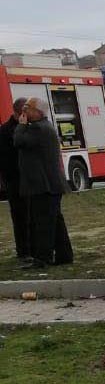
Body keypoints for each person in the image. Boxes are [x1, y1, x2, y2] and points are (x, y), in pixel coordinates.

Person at [14, 97, 72, 268]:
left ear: (38, 111)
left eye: (27, 109)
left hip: (44, 184)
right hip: (49, 183)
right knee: (55, 221)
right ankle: (64, 255)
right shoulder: (43, 127)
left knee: (43, 223)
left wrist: (21, 125)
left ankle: (43, 258)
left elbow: (18, 141)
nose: (24, 113)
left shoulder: (38, 129)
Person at [0, 97, 32, 261]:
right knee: (20, 217)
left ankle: (34, 248)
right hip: (16, 181)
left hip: (30, 180)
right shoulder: (6, 131)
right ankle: (24, 251)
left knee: (32, 216)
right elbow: (7, 158)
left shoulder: (29, 127)